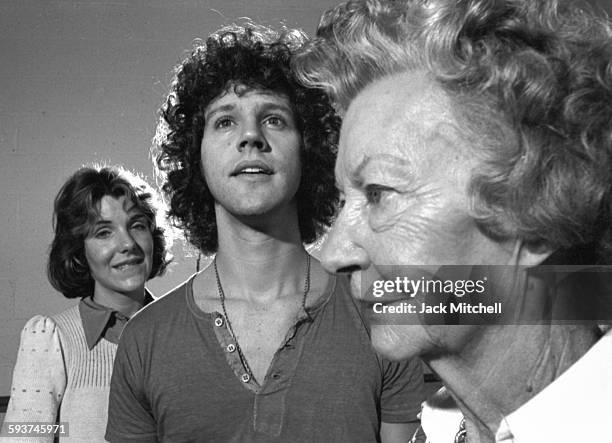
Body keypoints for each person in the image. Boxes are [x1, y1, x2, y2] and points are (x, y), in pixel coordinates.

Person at [293, 0, 612, 442]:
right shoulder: (438, 428)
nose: (332, 253)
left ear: (537, 203)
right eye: (343, 199)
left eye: (379, 193)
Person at [105, 23, 426, 442]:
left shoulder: (379, 314)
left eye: (273, 119)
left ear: (308, 146)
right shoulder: (144, 340)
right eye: (224, 122)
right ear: (194, 155)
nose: (251, 136)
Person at [3, 166, 170, 442]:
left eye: (137, 225)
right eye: (104, 232)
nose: (127, 243)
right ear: (79, 250)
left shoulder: (183, 329)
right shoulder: (51, 338)